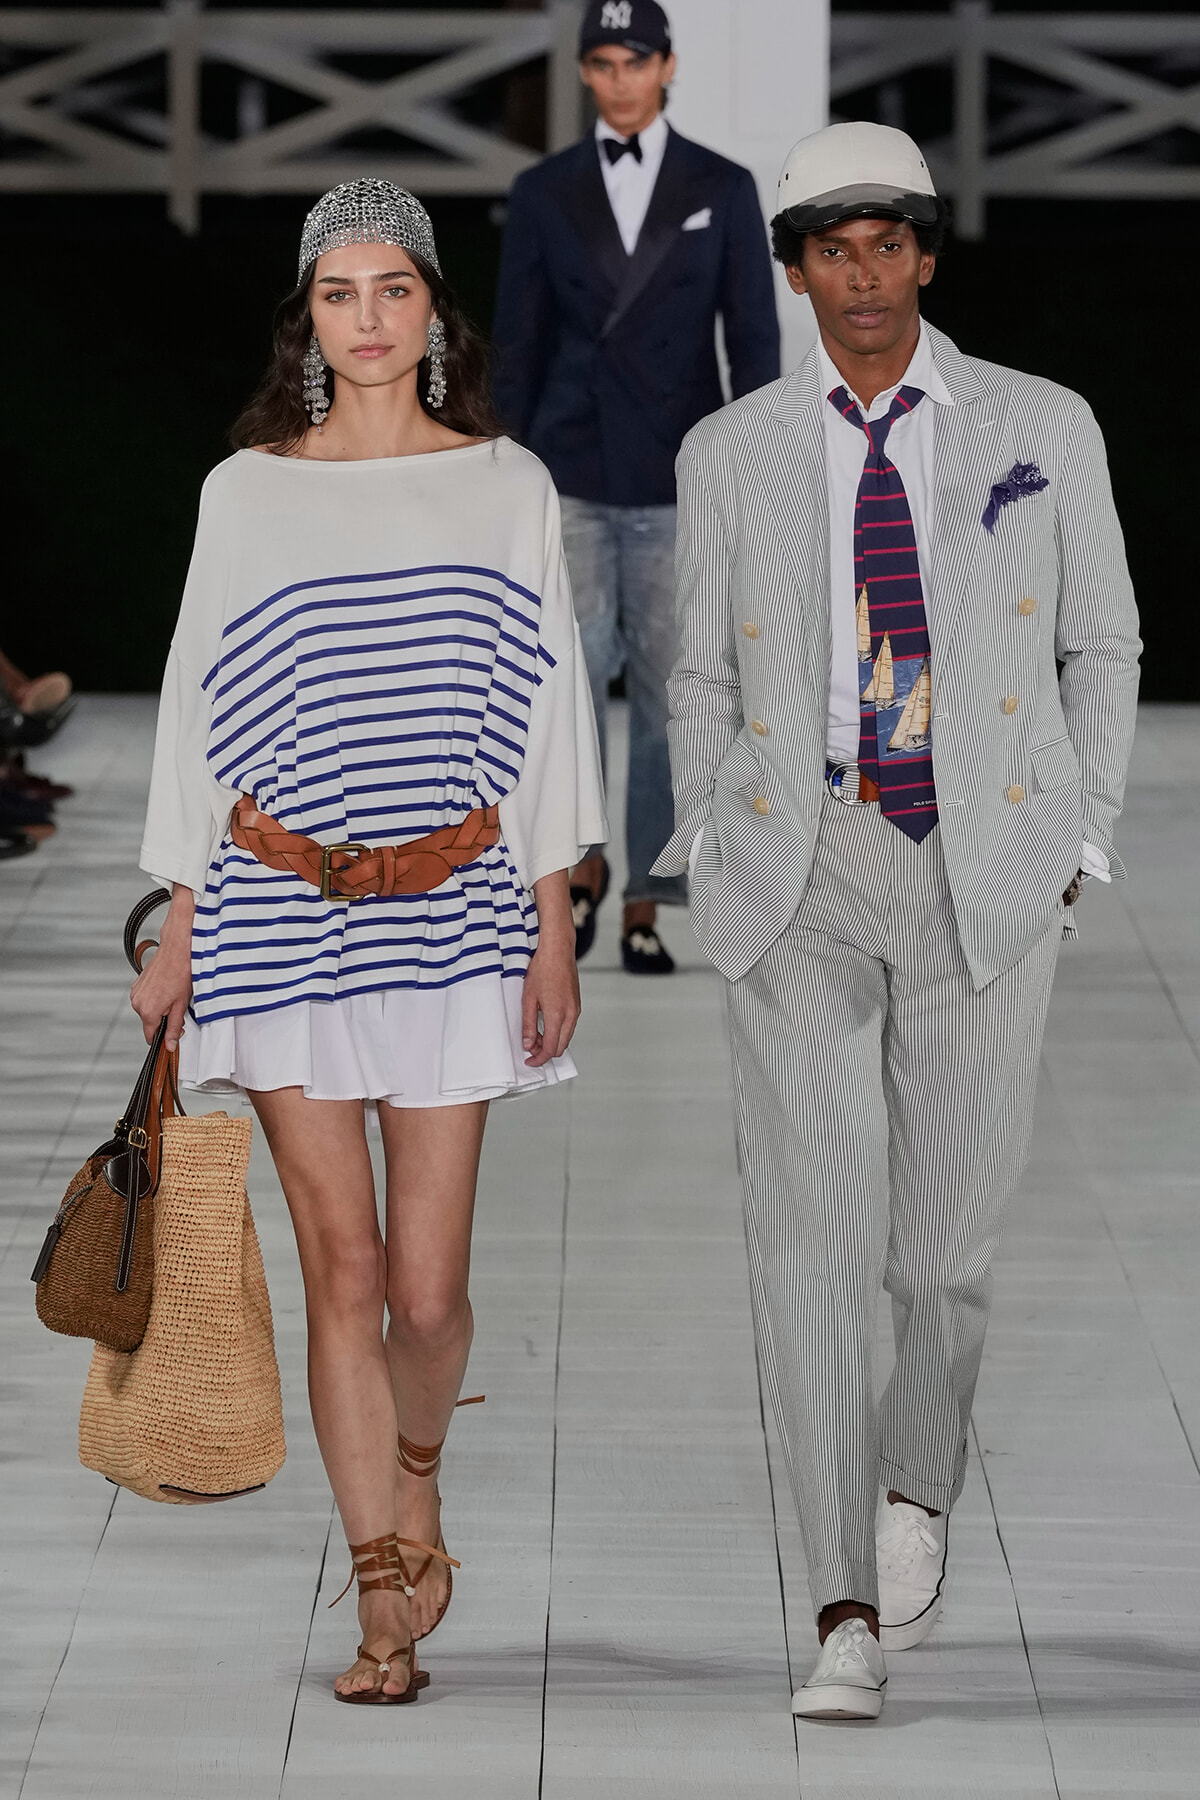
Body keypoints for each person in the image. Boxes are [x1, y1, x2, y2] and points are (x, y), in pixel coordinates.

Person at [652, 122, 1140, 1719]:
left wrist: (1076, 838)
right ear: (794, 273)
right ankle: (840, 1608)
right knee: (809, 1246)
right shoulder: (731, 450)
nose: (861, 277)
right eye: (830, 251)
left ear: (925, 254)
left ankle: (917, 1478)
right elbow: (699, 670)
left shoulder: (1040, 425)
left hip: (984, 863)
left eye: (887, 245)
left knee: (944, 1256)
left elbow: (1104, 646)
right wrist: (717, 832)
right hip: (804, 863)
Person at [131, 180, 606, 1706]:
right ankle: (380, 1584)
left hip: (459, 915)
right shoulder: (246, 494)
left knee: (426, 1290)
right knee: (341, 1265)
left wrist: (553, 923)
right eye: (338, 293)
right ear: (307, 318)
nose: (368, 318)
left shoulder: (506, 486)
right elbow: (197, 714)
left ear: (434, 309)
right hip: (280, 909)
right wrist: (180, 922)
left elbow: (550, 719)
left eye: (393, 288)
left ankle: (419, 1475)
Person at [492, 0, 779, 974]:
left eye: (636, 61)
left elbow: (752, 339)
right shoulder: (542, 191)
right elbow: (519, 338)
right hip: (569, 465)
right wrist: (504, 469)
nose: (621, 80)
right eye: (605, 62)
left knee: (668, 695)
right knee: (566, 688)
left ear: (668, 66)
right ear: (584, 71)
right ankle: (580, 868)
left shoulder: (722, 186)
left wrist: (756, 472)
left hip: (676, 470)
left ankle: (648, 899)